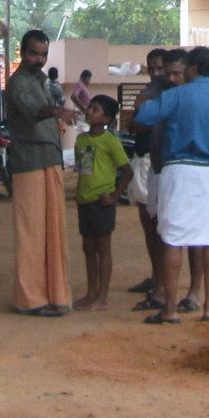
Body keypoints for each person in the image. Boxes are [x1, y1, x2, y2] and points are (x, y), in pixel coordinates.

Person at [130, 45, 209, 325]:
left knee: (172, 239)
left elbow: (142, 117)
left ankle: (169, 309)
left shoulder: (176, 95)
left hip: (178, 170)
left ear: (192, 68)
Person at [5, 29, 76, 317]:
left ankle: (55, 295)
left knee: (54, 231)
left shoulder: (42, 80)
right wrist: (57, 112)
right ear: (22, 52)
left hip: (49, 158)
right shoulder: (18, 82)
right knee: (32, 232)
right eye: (34, 53)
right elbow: (32, 109)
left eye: (43, 54)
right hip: (29, 160)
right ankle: (30, 299)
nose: (39, 59)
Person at [123, 49, 173, 307]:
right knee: (148, 222)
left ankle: (164, 284)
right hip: (145, 159)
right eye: (151, 68)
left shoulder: (169, 94)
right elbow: (132, 121)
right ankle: (157, 277)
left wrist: (144, 116)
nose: (156, 73)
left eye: (160, 68)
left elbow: (138, 119)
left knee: (163, 226)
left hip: (162, 164)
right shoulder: (148, 92)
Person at [72, 95, 129, 312]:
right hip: (84, 200)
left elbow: (127, 171)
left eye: (95, 109)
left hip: (102, 202)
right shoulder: (81, 140)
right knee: (88, 247)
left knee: (103, 247)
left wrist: (114, 196)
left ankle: (102, 296)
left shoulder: (110, 141)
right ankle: (90, 292)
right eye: (90, 108)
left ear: (106, 117)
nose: (89, 112)